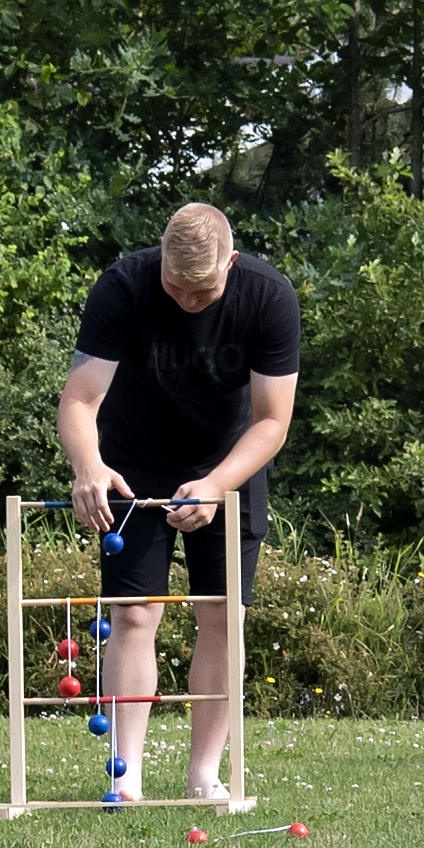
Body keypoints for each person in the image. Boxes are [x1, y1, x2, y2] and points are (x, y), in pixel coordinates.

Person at [54, 201, 300, 810]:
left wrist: (218, 484)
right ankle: (126, 777)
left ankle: (204, 776)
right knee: (134, 615)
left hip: (229, 464)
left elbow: (272, 421)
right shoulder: (122, 287)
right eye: (175, 287)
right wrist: (89, 467)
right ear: (159, 261)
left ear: (231, 263)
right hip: (132, 469)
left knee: (223, 617)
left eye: (204, 290)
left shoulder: (268, 298)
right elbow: (80, 402)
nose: (188, 301)